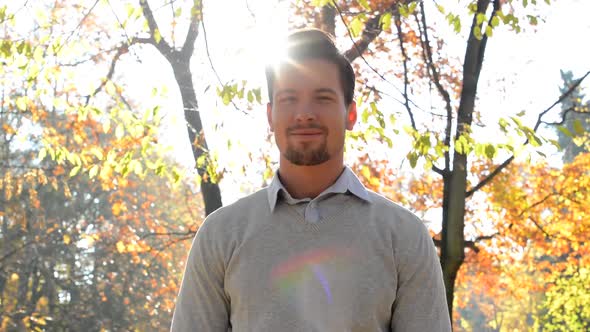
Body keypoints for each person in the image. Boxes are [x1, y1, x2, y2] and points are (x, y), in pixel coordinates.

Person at [171, 29, 451, 332]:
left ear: (351, 115)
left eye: (323, 98)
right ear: (270, 116)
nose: (304, 114)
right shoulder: (221, 234)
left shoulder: (404, 236)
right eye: (289, 99)